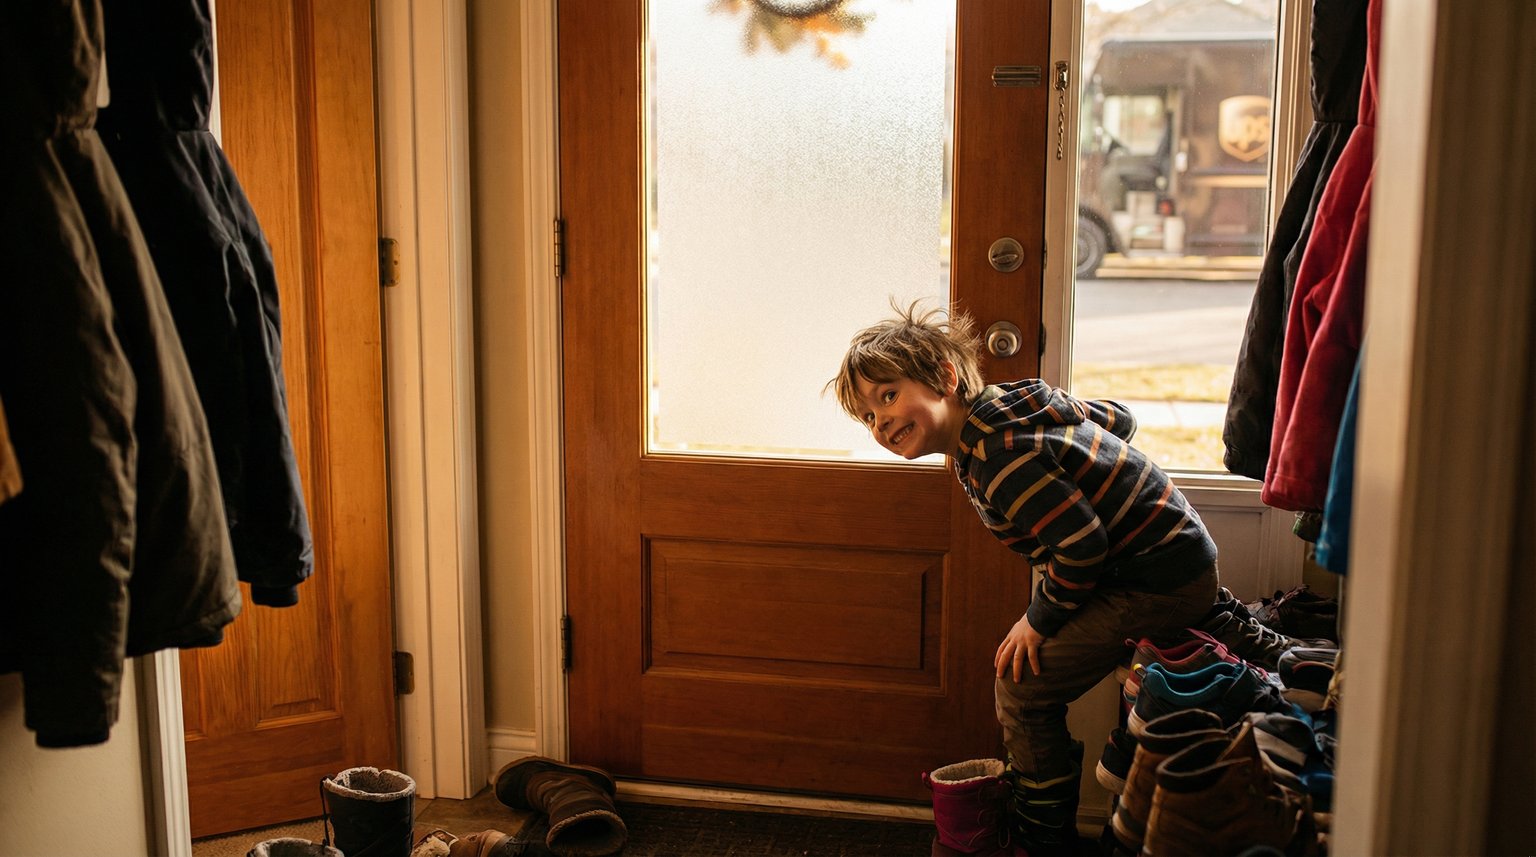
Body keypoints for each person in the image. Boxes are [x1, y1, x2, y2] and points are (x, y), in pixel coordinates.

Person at [828, 302, 1223, 854]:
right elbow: (1122, 419)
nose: (882, 423)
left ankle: (1041, 841)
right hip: (1173, 557)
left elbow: (1082, 548)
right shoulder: (1015, 405)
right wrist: (1066, 409)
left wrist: (1038, 622)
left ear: (944, 377)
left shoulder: (997, 455)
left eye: (889, 396)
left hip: (1156, 580)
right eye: (868, 417)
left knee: (1021, 685)